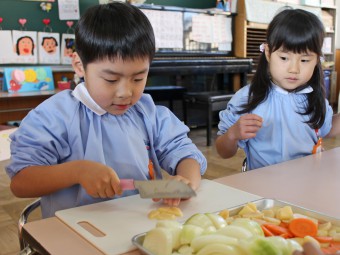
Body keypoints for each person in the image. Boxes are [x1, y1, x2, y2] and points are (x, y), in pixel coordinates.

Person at [5, 2, 207, 218]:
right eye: (111, 79)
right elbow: (21, 182)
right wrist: (77, 171)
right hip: (77, 232)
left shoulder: (147, 112)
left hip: (142, 222)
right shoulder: (54, 116)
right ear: (80, 66)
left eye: (138, 78)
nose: (125, 92)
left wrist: (186, 181)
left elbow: (184, 153)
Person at [216, 8, 334, 170]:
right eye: (284, 58)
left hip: (307, 182)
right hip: (262, 188)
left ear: (317, 61)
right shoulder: (248, 98)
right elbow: (224, 152)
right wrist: (232, 134)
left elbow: (326, 128)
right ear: (268, 53)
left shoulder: (314, 97)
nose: (294, 69)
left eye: (305, 60)